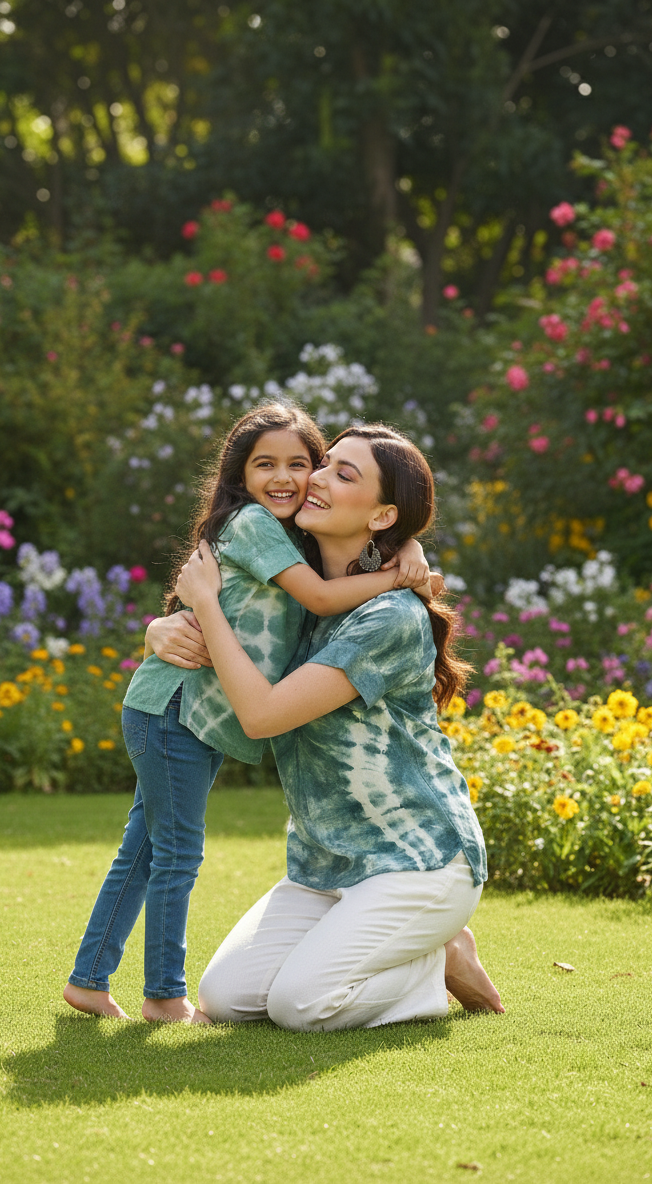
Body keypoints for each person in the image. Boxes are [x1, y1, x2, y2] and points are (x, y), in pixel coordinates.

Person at [63, 404, 431, 1024]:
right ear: (240, 474)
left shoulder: (295, 536)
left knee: (147, 849)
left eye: (301, 464)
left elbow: (358, 535)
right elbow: (318, 596)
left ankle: (89, 981)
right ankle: (163, 996)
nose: (286, 477)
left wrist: (408, 540)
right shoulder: (255, 523)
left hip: (191, 714)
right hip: (177, 705)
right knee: (176, 853)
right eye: (266, 464)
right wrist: (398, 576)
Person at [173, 424, 504, 1030]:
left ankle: (438, 956)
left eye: (343, 474)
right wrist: (160, 630)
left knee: (300, 1005)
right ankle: (402, 946)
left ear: (382, 515)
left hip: (418, 858)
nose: (316, 478)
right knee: (224, 1001)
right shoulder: (299, 596)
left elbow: (262, 713)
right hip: (324, 862)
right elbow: (221, 635)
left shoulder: (390, 618)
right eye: (323, 465)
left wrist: (206, 607)